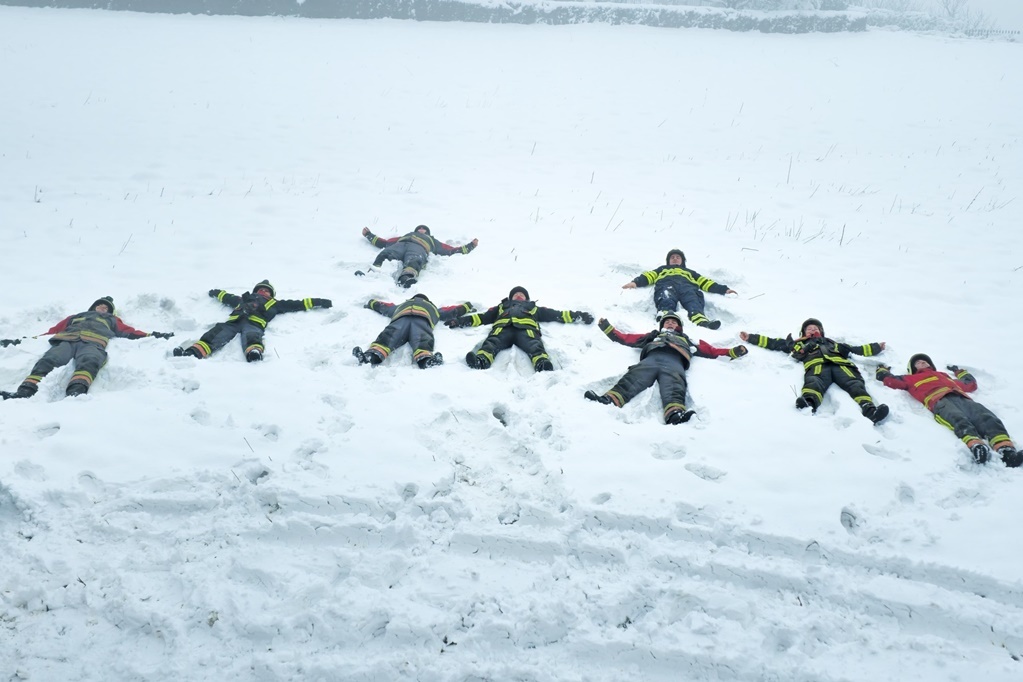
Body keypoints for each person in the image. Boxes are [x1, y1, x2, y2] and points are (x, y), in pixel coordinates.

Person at [585, 313, 747, 425]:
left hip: (675, 361)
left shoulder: (687, 340)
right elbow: (627, 338)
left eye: (674, 321)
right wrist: (608, 328)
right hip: (652, 358)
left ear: (679, 327)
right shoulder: (652, 335)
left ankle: (675, 413)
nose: (670, 323)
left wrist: (733, 351)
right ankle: (610, 399)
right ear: (662, 325)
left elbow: (712, 351)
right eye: (667, 321)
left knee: (675, 383)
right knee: (634, 375)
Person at [1, 296, 173, 399]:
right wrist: (21, 341)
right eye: (100, 305)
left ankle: (76, 393)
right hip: (66, 340)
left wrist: (153, 335)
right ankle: (25, 391)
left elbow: (129, 332)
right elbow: (52, 331)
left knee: (90, 361)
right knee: (49, 360)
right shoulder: (75, 317)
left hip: (93, 343)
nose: (103, 308)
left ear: (110, 312)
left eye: (106, 307)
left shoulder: (113, 320)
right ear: (93, 307)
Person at [876, 354, 1020, 466]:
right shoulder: (909, 378)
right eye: (917, 362)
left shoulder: (943, 376)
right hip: (939, 401)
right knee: (957, 419)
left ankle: (1006, 452)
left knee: (986, 417)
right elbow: (890, 381)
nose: (922, 362)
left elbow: (970, 384)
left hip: (961, 397)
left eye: (924, 361)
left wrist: (958, 371)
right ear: (913, 368)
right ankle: (976, 446)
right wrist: (882, 370)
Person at [739, 318, 890, 424]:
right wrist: (751, 337)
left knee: (855, 384)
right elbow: (773, 343)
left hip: (841, 366)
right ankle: (808, 404)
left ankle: (870, 410)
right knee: (814, 382)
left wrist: (876, 347)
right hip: (817, 366)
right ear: (804, 333)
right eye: (809, 328)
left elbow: (856, 349)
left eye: (816, 328)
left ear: (821, 331)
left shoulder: (832, 343)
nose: (813, 329)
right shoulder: (798, 344)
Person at [173, 280, 331, 362]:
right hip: (234, 322)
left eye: (266, 290)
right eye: (260, 289)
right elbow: (227, 297)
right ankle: (194, 352)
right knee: (216, 334)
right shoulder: (243, 299)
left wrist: (320, 301)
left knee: (252, 336)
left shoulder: (275, 304)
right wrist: (216, 292)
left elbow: (298, 304)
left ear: (271, 294)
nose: (263, 291)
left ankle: (254, 352)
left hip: (254, 324)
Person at [446, 286, 593, 372]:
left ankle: (542, 364)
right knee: (491, 342)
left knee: (534, 345)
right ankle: (481, 361)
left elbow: (557, 315)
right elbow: (482, 317)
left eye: (522, 294)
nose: (519, 295)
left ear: (527, 298)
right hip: (502, 329)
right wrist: (459, 321)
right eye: (515, 294)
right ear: (511, 298)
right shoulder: (501, 307)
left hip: (526, 330)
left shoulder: (533, 308)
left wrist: (579, 316)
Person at [622, 248, 737, 328]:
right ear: (668, 261)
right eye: (672, 257)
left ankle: (700, 320)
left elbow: (705, 282)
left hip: (687, 287)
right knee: (665, 297)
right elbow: (648, 276)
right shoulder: (662, 269)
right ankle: (664, 316)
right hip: (667, 284)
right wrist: (635, 283)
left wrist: (724, 289)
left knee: (693, 300)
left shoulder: (690, 272)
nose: (675, 259)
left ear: (682, 261)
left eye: (678, 257)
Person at [353, 293, 473, 369]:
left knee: (390, 334)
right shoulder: (433, 309)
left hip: (402, 320)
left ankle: (426, 360)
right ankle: (370, 356)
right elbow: (452, 311)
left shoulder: (402, 306)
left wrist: (372, 303)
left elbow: (385, 307)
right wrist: (466, 306)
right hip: (420, 322)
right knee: (421, 338)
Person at [358, 225, 479, 288]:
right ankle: (373, 274)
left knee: (415, 260)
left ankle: (406, 278)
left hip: (419, 248)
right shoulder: (405, 235)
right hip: (400, 245)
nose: (421, 229)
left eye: (424, 229)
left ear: (428, 233)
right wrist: (369, 235)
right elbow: (384, 243)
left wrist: (470, 246)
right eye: (419, 228)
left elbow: (450, 250)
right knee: (385, 253)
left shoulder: (432, 240)